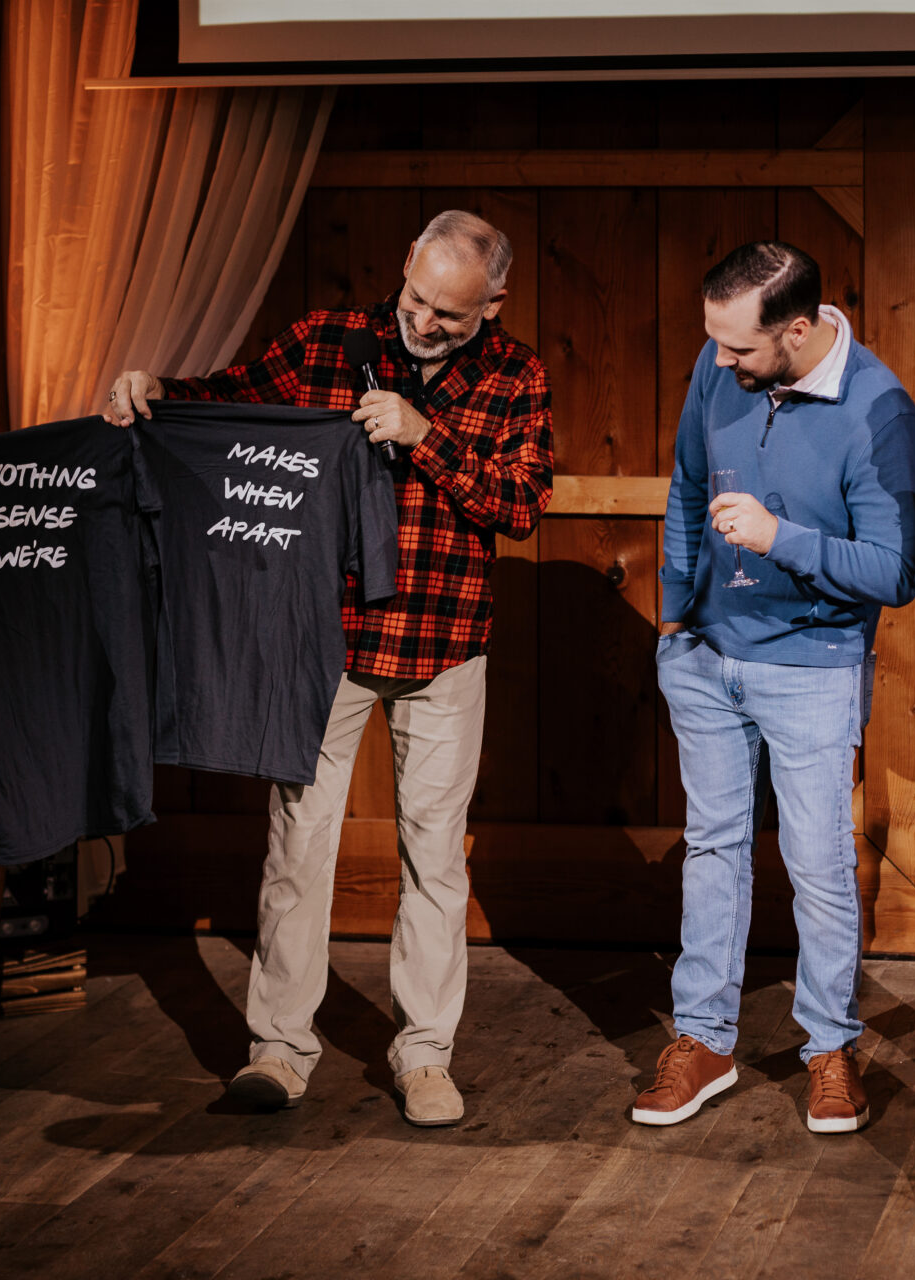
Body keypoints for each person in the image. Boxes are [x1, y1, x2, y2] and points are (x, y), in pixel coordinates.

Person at [103, 210, 553, 1126]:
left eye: (450, 316)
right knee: (297, 845)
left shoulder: (517, 374)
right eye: (418, 300)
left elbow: (521, 503)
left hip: (444, 641)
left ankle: (425, 1056)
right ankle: (278, 1047)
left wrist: (425, 436)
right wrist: (157, 392)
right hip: (325, 641)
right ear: (403, 266)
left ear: (493, 305)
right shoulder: (327, 339)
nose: (424, 323)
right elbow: (229, 403)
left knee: (434, 858)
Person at [637, 242, 915, 1134]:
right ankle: (703, 1039)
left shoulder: (878, 411)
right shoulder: (719, 360)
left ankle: (830, 1049)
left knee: (818, 864)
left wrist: (779, 537)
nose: (720, 365)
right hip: (707, 658)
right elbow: (689, 484)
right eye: (714, 346)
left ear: (797, 331)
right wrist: (678, 612)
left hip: (812, 665)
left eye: (740, 351)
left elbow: (894, 571)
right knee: (713, 848)